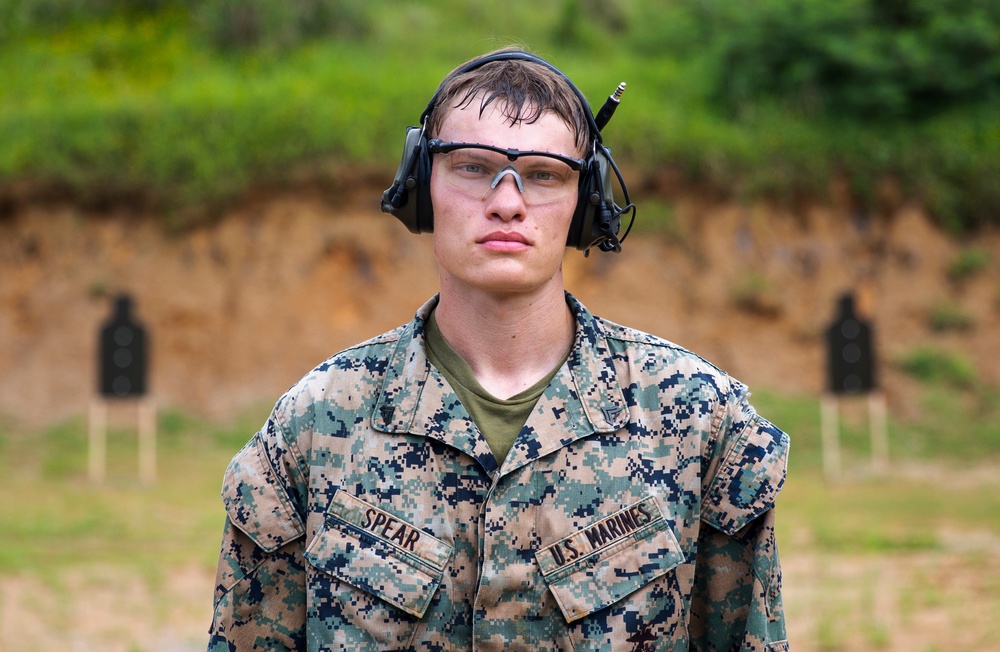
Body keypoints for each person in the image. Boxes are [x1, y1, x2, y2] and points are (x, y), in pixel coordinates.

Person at [208, 48, 790, 651]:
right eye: (471, 166)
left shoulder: (698, 420)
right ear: (421, 184)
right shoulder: (316, 422)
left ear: (585, 200)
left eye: (544, 174)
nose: (507, 201)